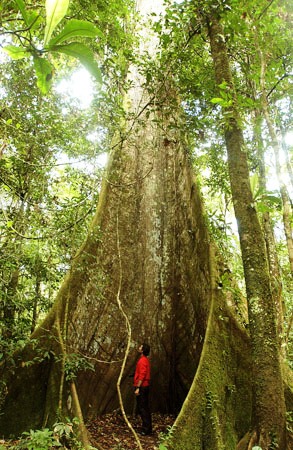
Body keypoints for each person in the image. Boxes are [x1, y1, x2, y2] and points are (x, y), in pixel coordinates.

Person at [134, 343, 152, 435]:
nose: (139, 347)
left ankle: (146, 429)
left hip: (142, 387)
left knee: (143, 408)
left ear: (143, 350)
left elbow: (142, 375)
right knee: (143, 407)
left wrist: (138, 388)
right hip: (144, 386)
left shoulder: (143, 361)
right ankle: (147, 428)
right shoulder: (144, 360)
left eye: (140, 346)